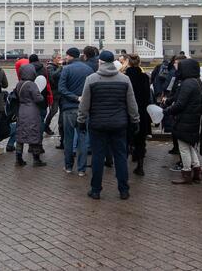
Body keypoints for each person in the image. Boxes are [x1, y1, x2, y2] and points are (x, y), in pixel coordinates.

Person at [78, 50, 139, 199]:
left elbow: (84, 104)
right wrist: (135, 120)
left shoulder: (91, 79)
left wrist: (81, 120)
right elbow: (132, 104)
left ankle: (96, 190)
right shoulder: (124, 80)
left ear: (100, 62)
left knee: (98, 157)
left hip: (97, 124)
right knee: (120, 157)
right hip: (119, 124)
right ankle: (123, 190)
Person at [164, 58, 202, 185]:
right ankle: (197, 172)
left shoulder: (187, 83)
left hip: (185, 119)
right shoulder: (195, 81)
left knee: (184, 148)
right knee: (190, 146)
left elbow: (180, 104)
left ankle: (187, 174)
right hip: (192, 118)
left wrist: (167, 110)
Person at [58, 47, 94, 176]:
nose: (65, 58)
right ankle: (81, 169)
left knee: (68, 139)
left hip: (69, 108)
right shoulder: (88, 69)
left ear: (71, 56)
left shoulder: (66, 69)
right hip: (84, 109)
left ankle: (68, 166)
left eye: (66, 55)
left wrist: (74, 97)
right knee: (83, 138)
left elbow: (61, 88)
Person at [14, 64, 47, 167]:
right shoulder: (32, 84)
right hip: (32, 111)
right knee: (34, 133)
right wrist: (41, 95)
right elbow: (38, 99)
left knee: (21, 134)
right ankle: (36, 160)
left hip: (21, 110)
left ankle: (18, 159)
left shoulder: (19, 83)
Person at [124, 54, 151, 176]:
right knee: (141, 140)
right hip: (142, 111)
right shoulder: (144, 77)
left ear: (128, 63)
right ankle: (140, 165)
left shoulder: (125, 77)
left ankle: (123, 165)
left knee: (125, 138)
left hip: (127, 112)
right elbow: (147, 96)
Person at [29, 54, 54, 135]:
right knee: (42, 118)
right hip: (43, 98)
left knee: (31, 118)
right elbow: (50, 81)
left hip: (30, 98)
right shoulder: (44, 69)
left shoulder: (27, 69)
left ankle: (32, 134)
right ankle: (39, 136)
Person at [44, 52, 62, 139]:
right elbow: (52, 77)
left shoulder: (56, 66)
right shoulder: (50, 67)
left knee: (60, 111)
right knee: (54, 110)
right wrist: (60, 68)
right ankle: (45, 126)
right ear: (54, 59)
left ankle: (60, 127)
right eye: (58, 58)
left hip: (59, 92)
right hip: (54, 93)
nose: (60, 59)